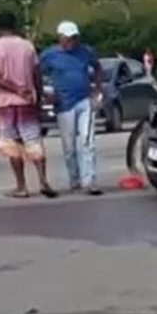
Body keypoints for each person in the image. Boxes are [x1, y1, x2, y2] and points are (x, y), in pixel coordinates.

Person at [0, 11, 57, 199]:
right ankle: (43, 180)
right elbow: (36, 74)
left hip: (6, 103)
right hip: (27, 102)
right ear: (15, 25)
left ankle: (21, 186)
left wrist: (14, 89)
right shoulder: (27, 46)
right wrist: (38, 96)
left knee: (12, 145)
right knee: (34, 142)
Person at [40, 21, 105, 195]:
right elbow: (36, 72)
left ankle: (89, 180)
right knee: (69, 146)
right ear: (60, 37)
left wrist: (97, 89)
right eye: (68, 38)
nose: (72, 42)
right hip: (64, 104)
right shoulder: (49, 55)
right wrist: (45, 94)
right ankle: (74, 179)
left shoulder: (85, 52)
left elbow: (97, 67)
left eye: (74, 38)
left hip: (84, 100)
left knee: (87, 141)